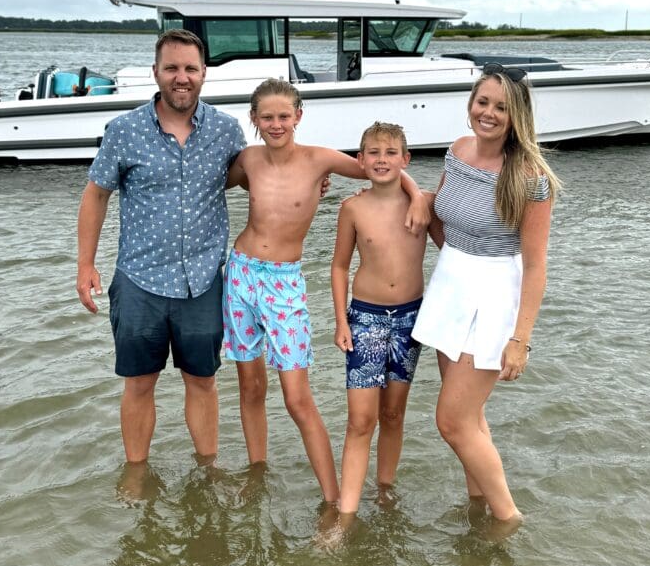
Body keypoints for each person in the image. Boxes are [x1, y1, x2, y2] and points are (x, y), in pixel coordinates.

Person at [223, 80, 430, 503]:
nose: (276, 124)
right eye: (267, 117)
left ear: (299, 116)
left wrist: (416, 197)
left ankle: (334, 499)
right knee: (250, 387)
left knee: (297, 398)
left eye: (284, 116)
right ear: (254, 120)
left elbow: (379, 171)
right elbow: (221, 186)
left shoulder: (320, 160)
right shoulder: (247, 160)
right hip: (241, 273)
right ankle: (256, 471)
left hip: (284, 280)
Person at [76, 28, 246, 465]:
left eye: (190, 68)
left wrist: (312, 180)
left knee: (203, 382)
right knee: (138, 382)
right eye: (171, 68)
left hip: (204, 281)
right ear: (156, 72)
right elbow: (96, 194)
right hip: (139, 280)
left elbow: (262, 174)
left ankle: (208, 470)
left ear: (204, 73)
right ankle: (136, 473)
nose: (181, 77)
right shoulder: (124, 130)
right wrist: (85, 265)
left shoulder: (226, 131)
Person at [411, 63, 561, 532]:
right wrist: (419, 196)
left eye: (500, 107)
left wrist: (521, 339)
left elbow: (536, 265)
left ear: (517, 116)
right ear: (470, 103)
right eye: (482, 102)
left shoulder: (530, 177)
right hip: (451, 283)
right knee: (469, 418)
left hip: (496, 295)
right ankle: (477, 507)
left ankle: (507, 517)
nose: (488, 113)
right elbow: (444, 216)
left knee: (451, 421)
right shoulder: (457, 152)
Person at [330, 122, 441, 517]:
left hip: (411, 320)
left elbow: (459, 249)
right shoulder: (353, 208)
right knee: (361, 420)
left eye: (391, 152)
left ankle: (385, 494)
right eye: (373, 153)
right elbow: (340, 266)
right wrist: (341, 321)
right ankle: (346, 512)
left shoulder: (424, 205)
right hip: (365, 319)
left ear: (406, 160)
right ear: (360, 161)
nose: (382, 160)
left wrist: (416, 195)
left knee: (393, 414)